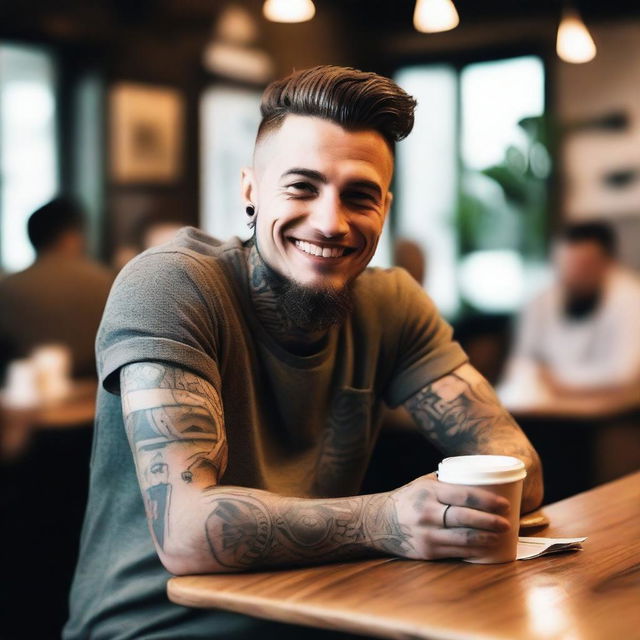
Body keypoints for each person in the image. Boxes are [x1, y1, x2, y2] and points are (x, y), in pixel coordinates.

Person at [65, 66, 543, 640]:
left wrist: (453, 503)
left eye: (359, 196)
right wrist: (389, 518)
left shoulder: (391, 303)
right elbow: (187, 530)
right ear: (250, 190)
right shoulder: (171, 284)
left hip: (325, 615)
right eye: (302, 186)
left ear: (384, 209)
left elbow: (521, 469)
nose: (329, 220)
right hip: (153, 628)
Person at [500, 221, 640, 407]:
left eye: (583, 265)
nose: (572, 272)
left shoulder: (630, 298)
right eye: (565, 263)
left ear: (608, 264)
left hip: (609, 414)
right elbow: (521, 363)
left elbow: (624, 374)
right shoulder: (540, 300)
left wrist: (558, 382)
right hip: (541, 408)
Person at [0, 196, 113, 378]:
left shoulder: (8, 286)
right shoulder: (106, 281)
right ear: (71, 236)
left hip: (26, 395)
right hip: (94, 392)